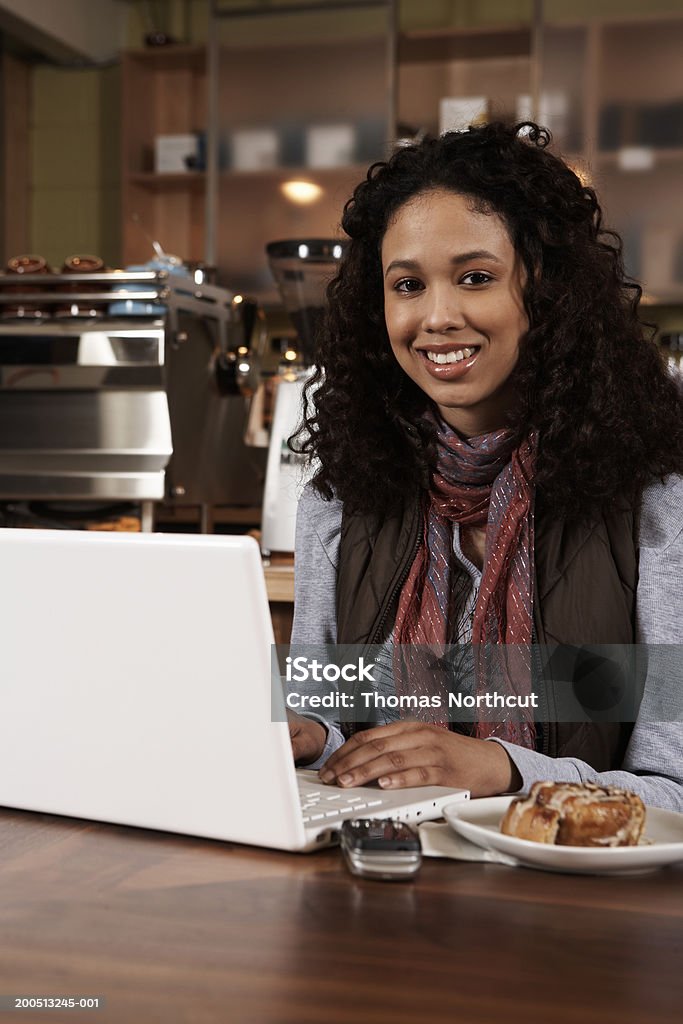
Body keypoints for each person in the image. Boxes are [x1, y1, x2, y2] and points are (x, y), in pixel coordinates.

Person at [286, 121, 683, 810]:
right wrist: (304, 737)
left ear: (546, 292)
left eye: (474, 278)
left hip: (573, 901)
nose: (435, 317)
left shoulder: (654, 502)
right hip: (378, 879)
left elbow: (672, 791)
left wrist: (501, 769)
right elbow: (331, 720)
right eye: (406, 284)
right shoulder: (340, 498)